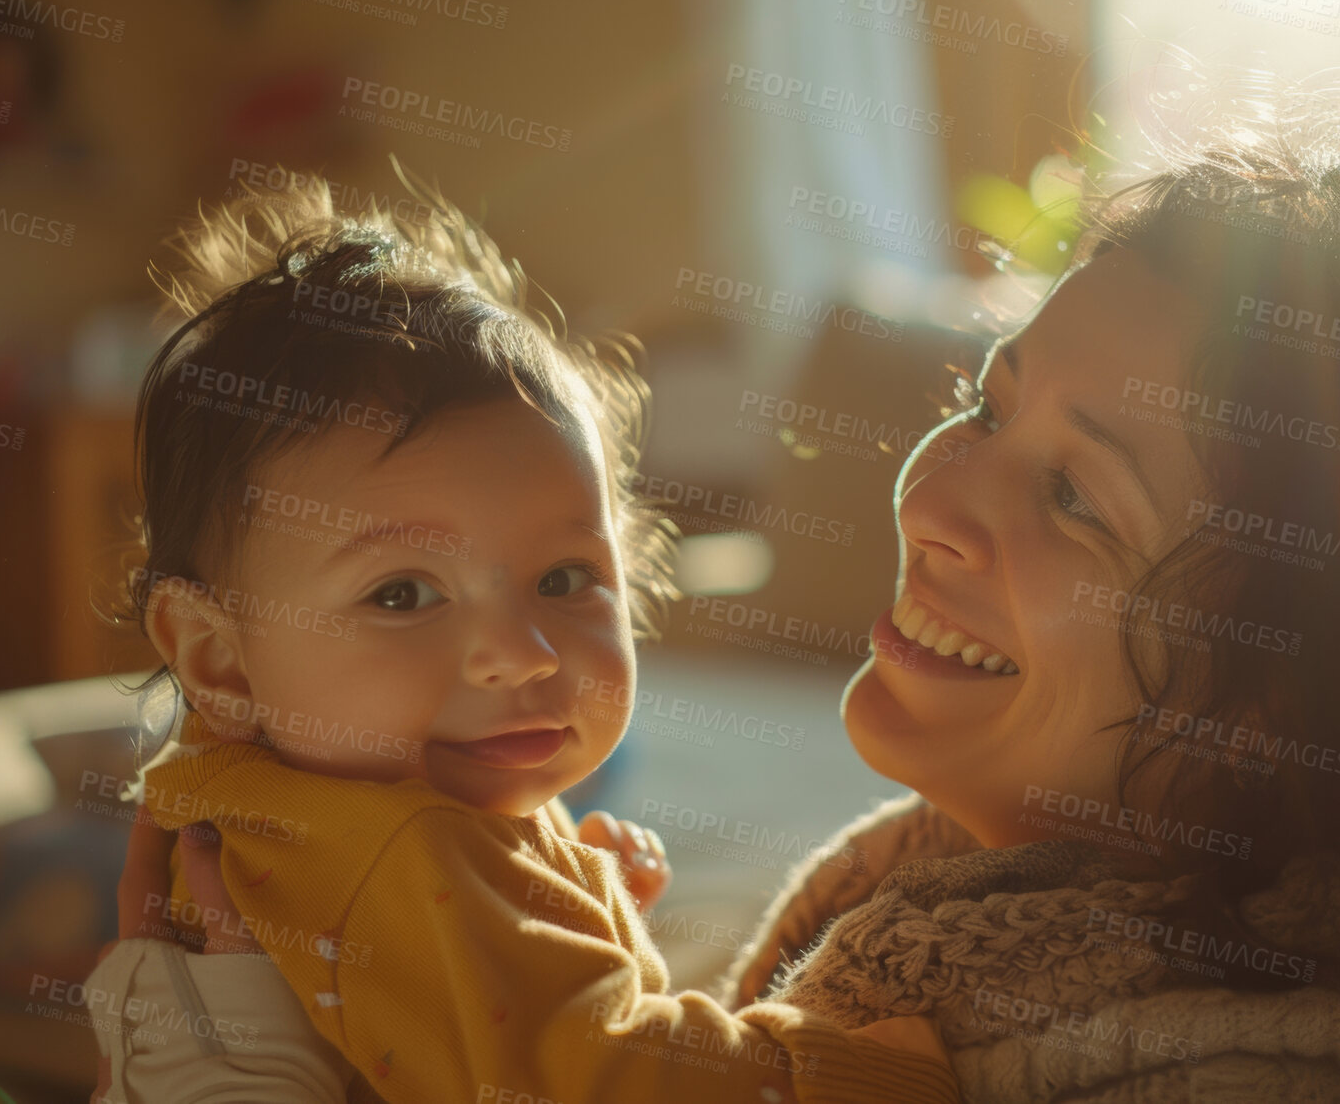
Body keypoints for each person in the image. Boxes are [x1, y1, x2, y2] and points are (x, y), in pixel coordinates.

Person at [96, 92, 1340, 1103]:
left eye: (1079, 497)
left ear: (1294, 702)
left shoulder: (1236, 1060)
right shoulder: (943, 885)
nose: (934, 492)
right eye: (984, 399)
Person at [81, 169, 958, 1104]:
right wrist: (859, 1070)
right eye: (405, 592)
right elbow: (605, 1074)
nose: (525, 653)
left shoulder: (275, 792)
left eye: (564, 579)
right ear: (217, 655)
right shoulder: (405, 846)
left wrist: (570, 912)